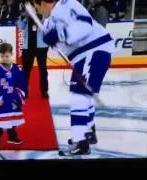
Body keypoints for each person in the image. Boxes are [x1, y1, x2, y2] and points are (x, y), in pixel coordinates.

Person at [34, 0, 115, 156]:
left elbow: (84, 27)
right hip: (84, 56)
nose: (37, 10)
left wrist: (58, 34)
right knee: (85, 95)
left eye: (37, 6)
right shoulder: (50, 18)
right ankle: (88, 132)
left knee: (79, 95)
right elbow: (59, 44)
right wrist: (50, 37)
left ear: (44, 2)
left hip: (94, 50)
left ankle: (81, 142)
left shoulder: (67, 4)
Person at [0, 43, 27, 148]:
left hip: (13, 98)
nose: (5, 58)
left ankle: (12, 137)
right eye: (2, 56)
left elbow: (22, 83)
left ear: (12, 54)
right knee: (0, 123)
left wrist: (19, 96)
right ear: (0, 55)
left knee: (13, 120)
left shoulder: (17, 69)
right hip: (0, 99)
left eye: (7, 56)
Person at [17, 1, 49, 99]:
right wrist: (22, 18)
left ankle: (44, 91)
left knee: (43, 69)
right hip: (28, 46)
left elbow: (47, 27)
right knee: (26, 70)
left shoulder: (44, 14)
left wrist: (41, 18)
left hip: (41, 46)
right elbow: (20, 26)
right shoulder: (25, 16)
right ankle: (24, 91)